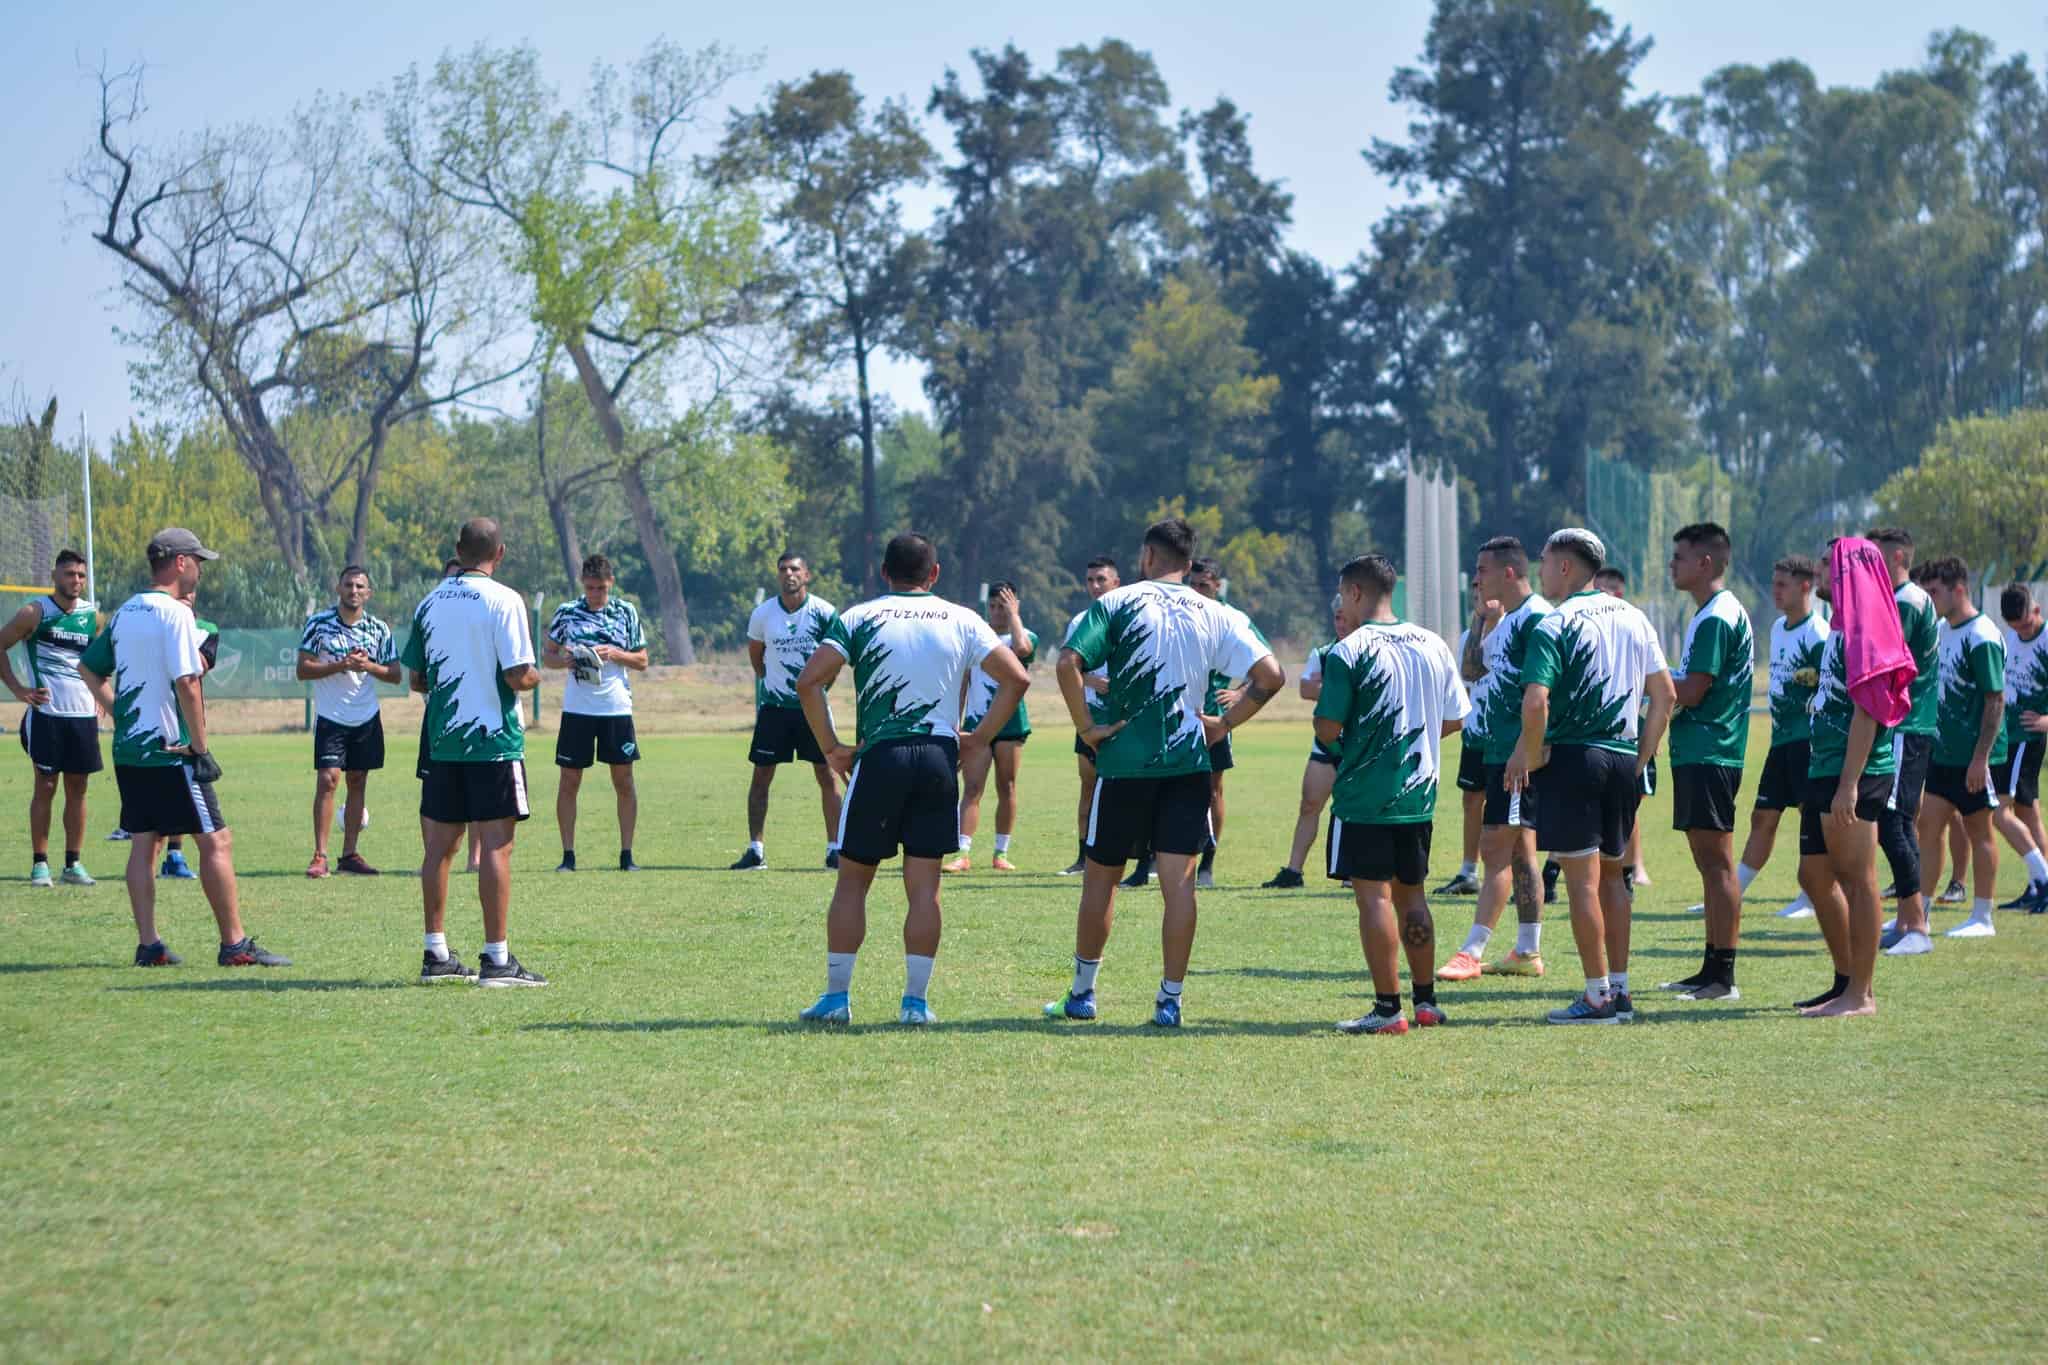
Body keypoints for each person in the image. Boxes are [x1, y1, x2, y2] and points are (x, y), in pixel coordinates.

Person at [1043, 518, 1282, 1027]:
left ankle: (1083, 994)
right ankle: (1169, 1000)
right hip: (1187, 767)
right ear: (1190, 563)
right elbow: (1271, 675)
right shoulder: (1216, 611)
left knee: (1101, 882)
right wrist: (1225, 722)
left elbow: (1067, 663)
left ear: (1147, 557)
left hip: (1125, 764)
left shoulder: (1115, 603)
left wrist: (1086, 727)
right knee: (1179, 887)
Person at [792, 532, 1029, 1025]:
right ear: (934, 574)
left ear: (884, 573)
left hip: (881, 758)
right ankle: (915, 1004)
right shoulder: (961, 618)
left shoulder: (859, 616)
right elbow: (1017, 678)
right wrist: (978, 738)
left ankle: (837, 999)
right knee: (925, 890)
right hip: (938, 762)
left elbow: (809, 681)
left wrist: (832, 748)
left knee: (853, 883)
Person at [76, 528, 289, 969]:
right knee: (216, 841)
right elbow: (188, 682)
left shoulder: (126, 612)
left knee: (144, 842)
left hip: (131, 750)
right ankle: (234, 945)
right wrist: (200, 746)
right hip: (172, 751)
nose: (201, 569)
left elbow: (88, 668)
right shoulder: (175, 614)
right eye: (198, 561)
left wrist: (120, 713)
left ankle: (148, 944)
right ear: (179, 563)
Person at [1506, 529, 1674, 1025]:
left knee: (1582, 881)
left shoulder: (1554, 624)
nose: (1539, 571)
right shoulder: (1634, 615)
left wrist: (1531, 756)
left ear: (1564, 566)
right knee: (1616, 878)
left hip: (1577, 758)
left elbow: (1536, 701)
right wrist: (1642, 757)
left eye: (1543, 561)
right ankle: (1619, 991)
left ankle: (1597, 998)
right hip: (1623, 757)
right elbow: (1664, 695)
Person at [1313, 554, 1471, 1035]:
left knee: (1373, 898)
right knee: (1413, 894)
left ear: (1356, 593)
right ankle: (1425, 1002)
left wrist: (1353, 751)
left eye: (1343, 594)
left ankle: (1387, 1009)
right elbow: (1456, 718)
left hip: (1366, 795)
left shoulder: (1348, 650)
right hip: (1418, 795)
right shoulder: (1433, 643)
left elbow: (1327, 725)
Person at [403, 517, 544, 986]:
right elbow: (517, 674)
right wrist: (538, 676)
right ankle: (498, 960)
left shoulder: (429, 602)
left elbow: (417, 678)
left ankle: (436, 954)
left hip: (443, 743)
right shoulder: (504, 600)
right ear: (499, 553)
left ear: (457, 550)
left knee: (439, 848)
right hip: (493, 742)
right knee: (497, 848)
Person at [1790, 537, 1903, 1017]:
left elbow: (1868, 713)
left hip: (1852, 771)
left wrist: (1848, 785)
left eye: (1827, 565)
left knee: (1858, 880)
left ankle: (1863, 994)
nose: (1818, 573)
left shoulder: (1867, 629)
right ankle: (1845, 982)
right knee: (1813, 874)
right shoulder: (1840, 627)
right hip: (1826, 764)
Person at [1437, 535, 1550, 981]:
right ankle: (1527, 951)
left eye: (1482, 570)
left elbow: (1543, 694)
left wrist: (1527, 750)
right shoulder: (1501, 621)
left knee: (1495, 846)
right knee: (1520, 850)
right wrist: (1481, 621)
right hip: (1495, 748)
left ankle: (1472, 949)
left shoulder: (1537, 619)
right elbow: (1471, 670)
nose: (1476, 578)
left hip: (1518, 755)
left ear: (1508, 572)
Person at [1697, 556, 1830, 923]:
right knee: (1763, 816)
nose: (1775, 591)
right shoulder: (1778, 627)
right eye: (1774, 583)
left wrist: (1813, 683)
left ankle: (1811, 894)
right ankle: (1733, 890)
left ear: (1806, 586)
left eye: (1782, 584)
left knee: (1811, 817)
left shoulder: (1818, 633)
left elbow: (1832, 686)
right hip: (1782, 739)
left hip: (1809, 740)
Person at [1659, 523, 1755, 1002]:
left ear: (1706, 563)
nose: (1672, 564)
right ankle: (1710, 967)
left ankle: (1724, 976)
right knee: (1708, 863)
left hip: (1712, 750)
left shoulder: (1718, 616)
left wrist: (1649, 680)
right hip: (1702, 751)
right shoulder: (1710, 613)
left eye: (1679, 556)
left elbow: (1694, 690)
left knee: (1717, 865)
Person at [1900, 557, 2008, 944]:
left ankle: (1983, 916)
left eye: (1934, 593)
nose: (1929, 601)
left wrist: (1980, 759)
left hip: (1975, 759)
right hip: (1941, 755)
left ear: (1958, 589)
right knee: (1927, 828)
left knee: (1980, 832)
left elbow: (1996, 701)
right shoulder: (1942, 630)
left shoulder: (1981, 635)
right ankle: (1920, 914)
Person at [2, 550, 102, 887]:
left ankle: (73, 864)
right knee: (45, 786)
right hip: (47, 715)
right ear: (55, 576)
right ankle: (39, 864)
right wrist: (19, 689)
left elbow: (98, 662)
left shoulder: (93, 616)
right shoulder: (35, 612)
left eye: (81, 575)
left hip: (83, 717)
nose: (76, 580)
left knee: (79, 789)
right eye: (69, 574)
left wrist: (102, 696)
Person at [734, 552, 840, 871]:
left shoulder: (824, 612)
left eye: (795, 569)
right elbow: (757, 658)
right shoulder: (763, 614)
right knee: (761, 776)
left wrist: (820, 688)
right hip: (775, 709)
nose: (788, 574)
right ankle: (756, 851)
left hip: (813, 708)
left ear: (806, 575)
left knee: (827, 774)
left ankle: (835, 849)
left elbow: (837, 656)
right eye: (783, 569)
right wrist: (773, 683)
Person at [544, 554, 649, 873]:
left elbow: (643, 660)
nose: (595, 595)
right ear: (582, 584)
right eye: (590, 588)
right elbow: (547, 655)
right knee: (569, 780)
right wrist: (565, 661)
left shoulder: (626, 612)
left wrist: (615, 653)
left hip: (615, 708)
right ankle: (568, 855)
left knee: (623, 780)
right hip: (577, 709)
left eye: (601, 589)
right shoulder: (566, 613)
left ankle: (627, 855)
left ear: (611, 584)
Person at [295, 566, 400, 878]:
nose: (354, 591)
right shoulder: (319, 624)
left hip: (365, 716)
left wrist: (366, 665)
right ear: (338, 588)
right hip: (331, 716)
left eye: (360, 586)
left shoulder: (379, 629)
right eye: (348, 585)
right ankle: (320, 856)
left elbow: (395, 675)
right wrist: (341, 664)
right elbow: (303, 669)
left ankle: (349, 855)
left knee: (357, 781)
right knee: (328, 780)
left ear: (368, 593)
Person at [1867, 529, 1941, 915]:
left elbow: (1886, 663)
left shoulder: (1906, 601)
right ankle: (1915, 915)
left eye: (1876, 554)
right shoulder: (1902, 599)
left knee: (1892, 819)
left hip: (1906, 727)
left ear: (1897, 557)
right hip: (1907, 727)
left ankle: (1913, 921)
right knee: (1898, 820)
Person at [1183, 557, 1267, 889]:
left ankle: (1207, 864)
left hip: (1213, 718)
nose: (1198, 592)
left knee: (1212, 790)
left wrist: (1241, 692)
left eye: (1204, 585)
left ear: (1217, 586)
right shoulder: (1180, 612)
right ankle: (1153, 859)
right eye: (1193, 585)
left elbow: (1264, 662)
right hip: (1177, 714)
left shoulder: (1233, 618)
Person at [944, 581, 1035, 873]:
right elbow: (962, 686)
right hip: (975, 728)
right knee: (971, 788)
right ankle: (962, 852)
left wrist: (1014, 617)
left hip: (1011, 726)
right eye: (993, 606)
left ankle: (1000, 852)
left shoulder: (1023, 635)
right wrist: (955, 724)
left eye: (1003, 606)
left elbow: (1022, 650)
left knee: (1007, 786)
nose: (997, 612)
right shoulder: (974, 638)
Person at [1262, 593, 1347, 889]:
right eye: (1337, 617)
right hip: (1326, 743)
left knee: (1355, 808)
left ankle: (1353, 871)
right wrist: (1345, 692)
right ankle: (1294, 871)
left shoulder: (1370, 651)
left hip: (1361, 745)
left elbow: (1318, 687)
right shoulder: (1323, 653)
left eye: (1345, 616)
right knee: (1310, 804)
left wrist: (1329, 689)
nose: (1341, 623)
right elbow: (1306, 688)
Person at [1062, 556, 1122, 877]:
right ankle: (1083, 856)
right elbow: (1069, 669)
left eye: (1102, 579)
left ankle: (1143, 858)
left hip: (1122, 717)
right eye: (1090, 580)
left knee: (1129, 787)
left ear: (1116, 583)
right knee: (1089, 786)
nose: (1095, 586)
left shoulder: (1130, 616)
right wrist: (1093, 681)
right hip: (1090, 716)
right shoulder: (1080, 621)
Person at [1436, 582, 1494, 898]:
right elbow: (1468, 682)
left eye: (1482, 588)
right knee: (1472, 801)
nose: (1479, 594)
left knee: (1510, 809)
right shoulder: (1466, 639)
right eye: (1474, 591)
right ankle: (1468, 872)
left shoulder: (1515, 629)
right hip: (1477, 734)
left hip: (1507, 736)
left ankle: (1525, 873)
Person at [1993, 582, 2048, 909]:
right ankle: (2036, 887)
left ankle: (2043, 879)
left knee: (1999, 811)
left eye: (2026, 624)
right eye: (2015, 627)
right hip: (2007, 736)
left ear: (2037, 610)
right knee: (2028, 815)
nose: (2021, 631)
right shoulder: (2011, 637)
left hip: (2026, 739)